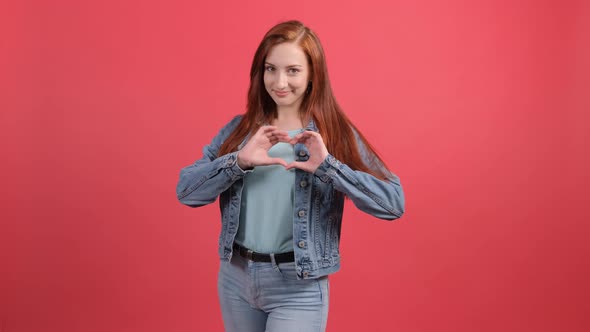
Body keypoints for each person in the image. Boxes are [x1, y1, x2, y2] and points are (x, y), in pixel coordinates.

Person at [176, 20, 405, 332]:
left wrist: (328, 167)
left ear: (313, 74)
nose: (280, 81)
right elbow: (187, 191)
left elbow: (392, 203)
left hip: (298, 287)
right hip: (236, 279)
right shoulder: (239, 131)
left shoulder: (334, 134)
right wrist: (238, 161)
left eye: (293, 70)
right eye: (271, 69)